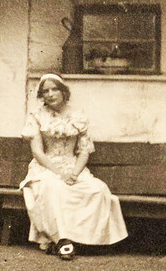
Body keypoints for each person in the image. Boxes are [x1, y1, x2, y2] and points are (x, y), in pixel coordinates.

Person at [19, 74, 127, 260]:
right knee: (54, 188)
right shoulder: (37, 116)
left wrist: (74, 173)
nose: (50, 94)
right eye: (45, 91)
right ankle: (63, 240)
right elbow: (38, 152)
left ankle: (87, 240)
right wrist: (60, 173)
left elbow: (84, 151)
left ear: (63, 91)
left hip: (73, 166)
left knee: (98, 189)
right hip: (46, 168)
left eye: (54, 89)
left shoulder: (78, 116)